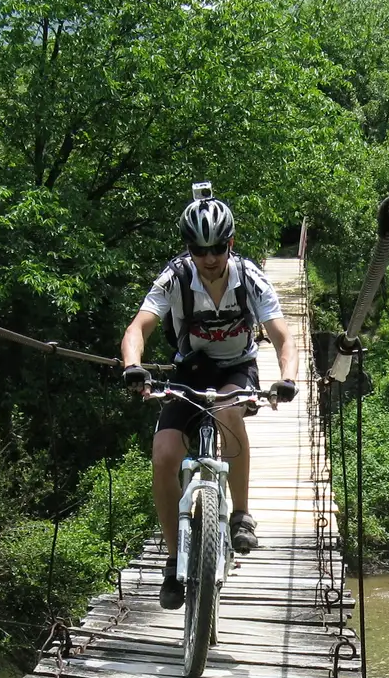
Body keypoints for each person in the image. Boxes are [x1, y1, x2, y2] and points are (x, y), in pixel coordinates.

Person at [120, 190, 298, 610]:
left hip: (237, 369)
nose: (210, 257)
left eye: (217, 247)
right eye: (200, 249)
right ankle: (171, 558)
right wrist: (132, 365)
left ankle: (241, 515)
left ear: (230, 244)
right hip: (191, 370)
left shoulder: (250, 278)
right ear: (189, 249)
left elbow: (282, 335)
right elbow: (138, 329)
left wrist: (288, 377)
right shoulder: (176, 277)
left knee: (228, 407)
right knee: (164, 454)